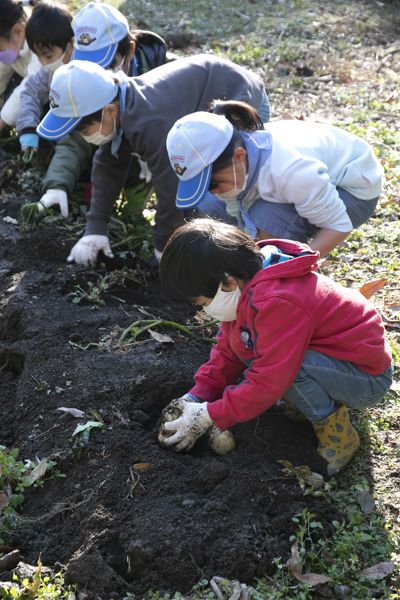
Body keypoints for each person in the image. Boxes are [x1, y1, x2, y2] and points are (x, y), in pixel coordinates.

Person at [158, 218, 393, 475]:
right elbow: (230, 347)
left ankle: (339, 437)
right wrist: (199, 394)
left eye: (201, 302)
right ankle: (308, 402)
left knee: (286, 371)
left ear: (227, 283)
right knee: (256, 351)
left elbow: (270, 379)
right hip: (334, 359)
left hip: (366, 377)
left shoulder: (277, 300)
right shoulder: (247, 284)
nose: (202, 309)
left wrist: (211, 414)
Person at [36, 56, 269, 265]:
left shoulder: (149, 124)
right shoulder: (121, 105)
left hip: (240, 98)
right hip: (202, 111)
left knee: (219, 193)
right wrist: (95, 227)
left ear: (109, 112)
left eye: (85, 130)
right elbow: (107, 167)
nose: (86, 138)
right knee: (198, 200)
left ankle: (248, 248)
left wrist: (164, 244)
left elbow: (171, 185)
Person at [16, 1, 174, 218]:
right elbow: (74, 139)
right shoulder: (85, 83)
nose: (100, 74)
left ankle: (133, 206)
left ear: (129, 52)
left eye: (107, 64)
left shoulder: (167, 75)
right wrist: (57, 184)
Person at [166, 106, 384, 258]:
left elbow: (338, 225)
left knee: (266, 219)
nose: (212, 191)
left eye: (212, 184)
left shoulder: (290, 171)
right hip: (308, 184)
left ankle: (285, 284)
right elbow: (231, 204)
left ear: (239, 157)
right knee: (209, 204)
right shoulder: (236, 163)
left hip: (353, 191)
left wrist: (300, 263)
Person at [0, 0, 41, 135]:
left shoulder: (42, 43)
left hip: (51, 92)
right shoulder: (12, 44)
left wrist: (2, 120)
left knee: (16, 95)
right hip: (32, 88)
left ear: (18, 31)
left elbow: (30, 85)